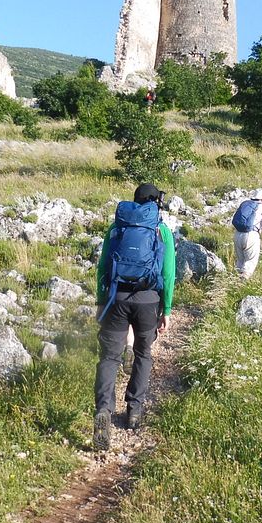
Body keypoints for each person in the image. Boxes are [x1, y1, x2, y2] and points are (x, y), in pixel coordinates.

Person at [93, 183, 176, 450]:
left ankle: (104, 410)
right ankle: (134, 410)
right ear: (156, 202)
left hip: (116, 298)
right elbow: (168, 274)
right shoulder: (161, 229)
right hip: (147, 300)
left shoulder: (117, 227)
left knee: (109, 357)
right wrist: (167, 309)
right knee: (143, 354)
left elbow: (103, 266)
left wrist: (101, 300)